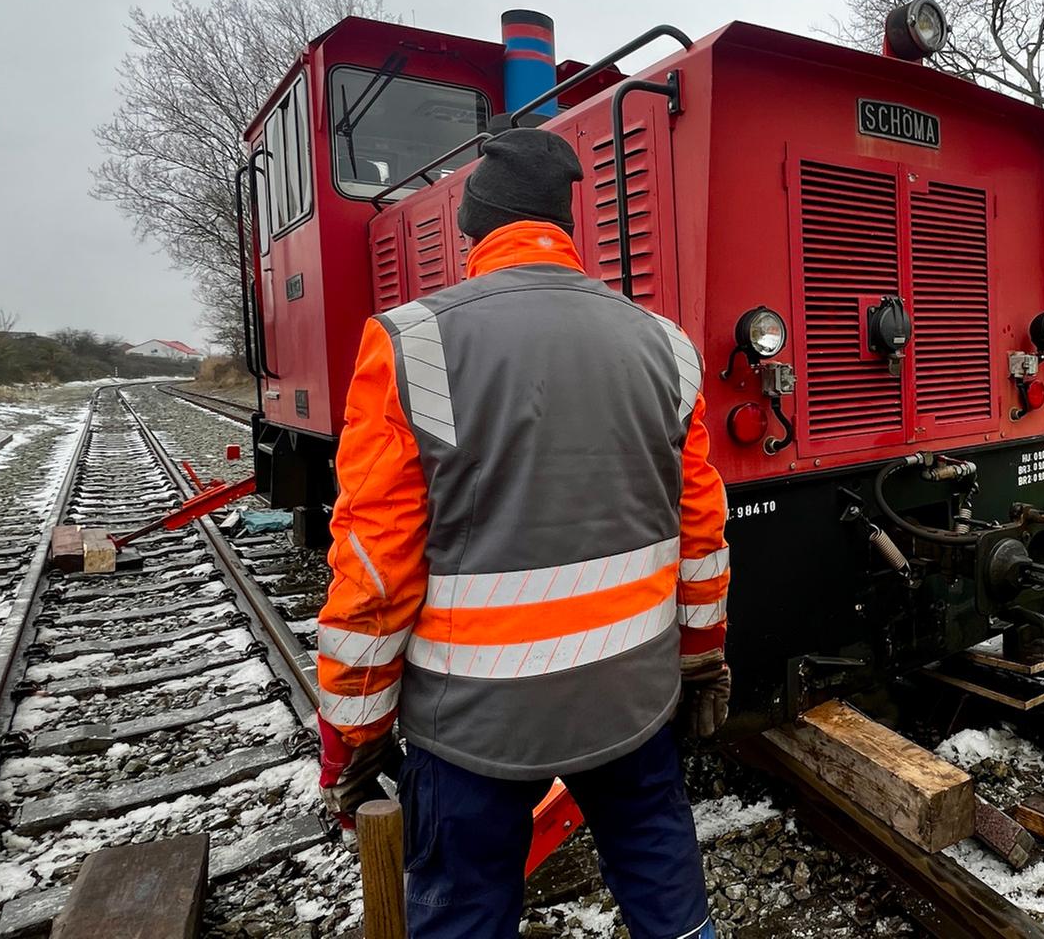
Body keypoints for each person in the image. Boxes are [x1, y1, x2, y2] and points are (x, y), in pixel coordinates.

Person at [313, 128, 732, 939]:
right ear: (565, 226)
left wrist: (353, 737)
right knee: (667, 894)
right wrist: (704, 658)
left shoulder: (410, 341)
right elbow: (702, 537)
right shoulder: (667, 347)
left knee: (466, 913)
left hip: (472, 727)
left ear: (473, 228)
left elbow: (373, 567)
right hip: (631, 702)